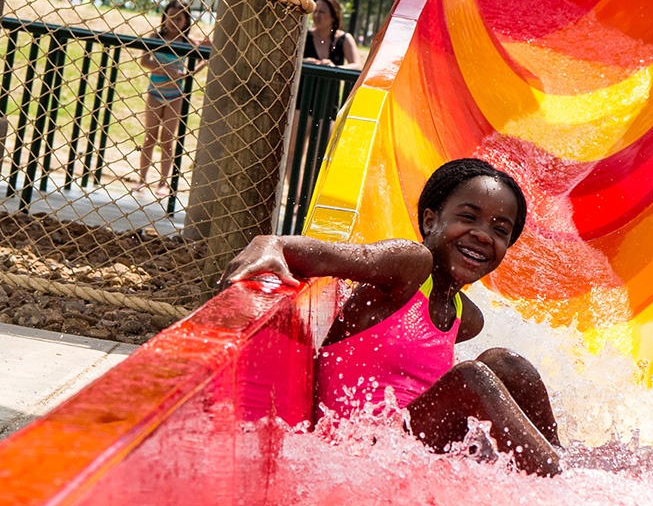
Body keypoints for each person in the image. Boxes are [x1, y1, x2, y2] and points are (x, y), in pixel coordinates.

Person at [221, 158, 562, 476]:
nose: (483, 235)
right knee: (472, 378)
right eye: (468, 217)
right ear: (431, 220)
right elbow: (335, 257)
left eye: (500, 230)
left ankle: (561, 458)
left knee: (506, 364)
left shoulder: (467, 319)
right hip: (360, 452)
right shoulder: (409, 266)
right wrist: (272, 245)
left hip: (411, 454)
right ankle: (561, 485)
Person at [134, 0, 207, 197]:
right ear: (164, 17)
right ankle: (142, 180)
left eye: (179, 18)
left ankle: (163, 183)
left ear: (186, 20)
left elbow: (205, 58)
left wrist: (188, 73)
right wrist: (166, 69)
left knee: (167, 139)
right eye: (170, 17)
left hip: (175, 95)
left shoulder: (188, 42)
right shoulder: (156, 37)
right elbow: (145, 61)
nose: (173, 22)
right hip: (155, 92)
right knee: (150, 137)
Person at [303, 0, 361, 69]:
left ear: (333, 16)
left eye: (322, 12)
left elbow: (357, 66)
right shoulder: (305, 36)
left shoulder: (344, 39)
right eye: (315, 11)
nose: (316, 15)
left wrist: (334, 68)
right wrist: (303, 62)